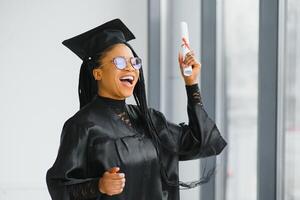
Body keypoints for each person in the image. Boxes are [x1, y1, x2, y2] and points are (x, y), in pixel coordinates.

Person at [46, 18, 227, 200]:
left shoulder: (149, 119)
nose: (131, 68)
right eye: (120, 62)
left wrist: (191, 83)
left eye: (134, 62)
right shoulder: (83, 126)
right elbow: (59, 187)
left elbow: (202, 142)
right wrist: (98, 186)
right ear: (97, 73)